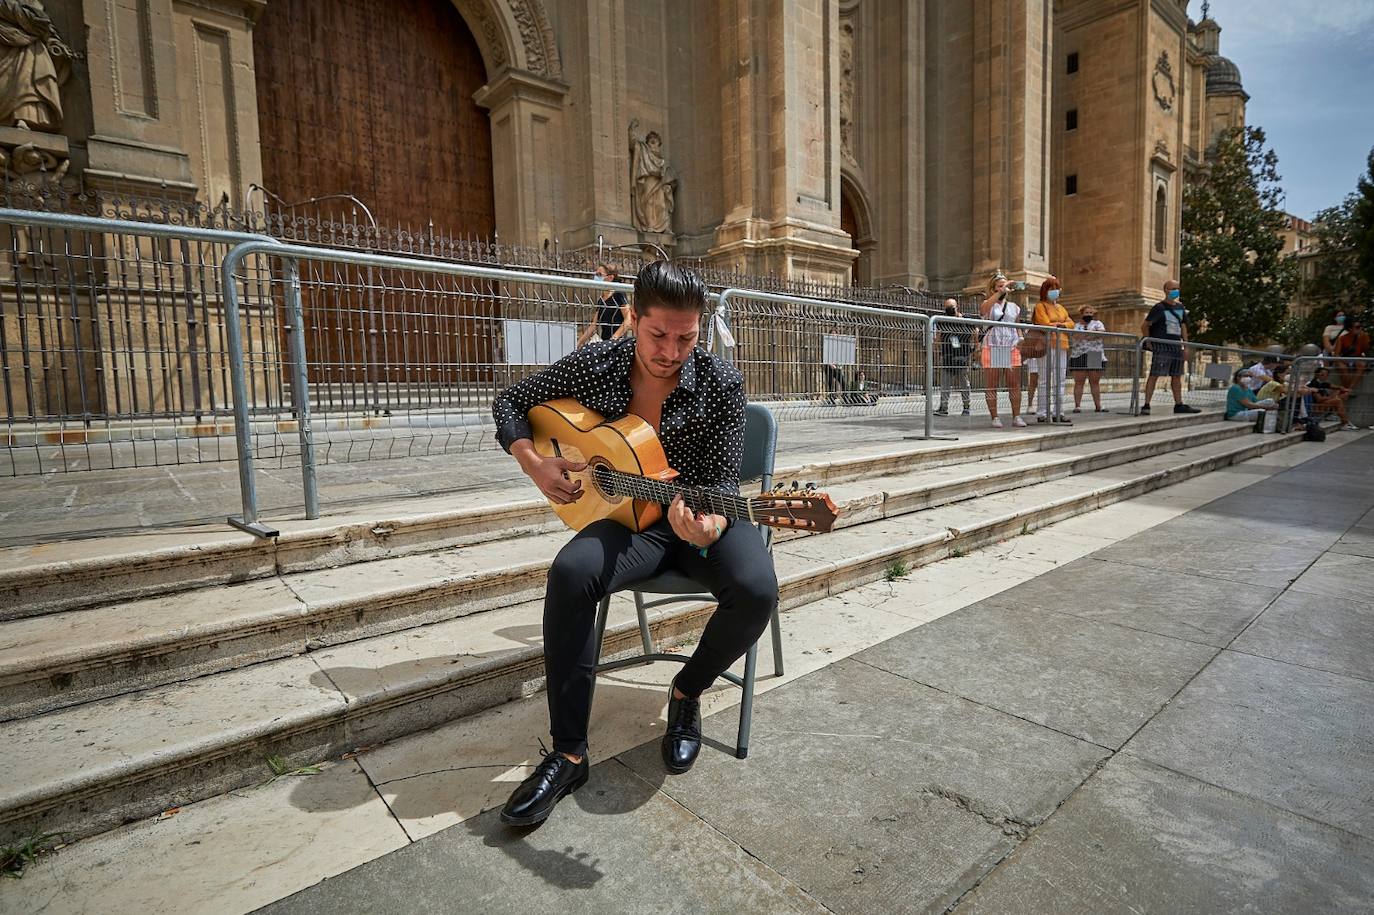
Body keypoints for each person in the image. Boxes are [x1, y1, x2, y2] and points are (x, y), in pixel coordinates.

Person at [491, 261, 778, 827]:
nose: (672, 351)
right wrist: (533, 462)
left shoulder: (721, 382)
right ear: (632, 317)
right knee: (571, 574)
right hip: (628, 519)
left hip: (700, 517)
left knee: (755, 588)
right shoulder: (597, 364)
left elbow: (721, 481)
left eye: (686, 337)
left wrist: (714, 526)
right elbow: (510, 402)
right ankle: (569, 753)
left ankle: (686, 692)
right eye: (658, 335)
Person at [1139, 279, 1201, 415]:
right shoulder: (1159, 308)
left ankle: (1179, 404)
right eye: (1173, 288)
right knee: (1154, 375)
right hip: (1162, 346)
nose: (1175, 291)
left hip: (1176, 346)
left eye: (1177, 288)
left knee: (1177, 376)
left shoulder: (1180, 307)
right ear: (1166, 290)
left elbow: (1183, 326)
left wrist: (1186, 346)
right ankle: (1146, 404)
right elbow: (1145, 325)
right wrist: (1149, 340)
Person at [978, 273, 1025, 428]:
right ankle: (995, 417)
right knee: (993, 384)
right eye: (999, 285)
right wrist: (999, 293)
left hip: (1011, 347)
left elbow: (1018, 327)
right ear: (993, 289)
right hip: (994, 346)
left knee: (1014, 383)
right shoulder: (989, 303)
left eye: (1004, 285)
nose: (1003, 288)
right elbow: (983, 310)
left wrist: (1021, 340)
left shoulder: (1014, 307)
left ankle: (1016, 416)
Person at [1032, 276, 1075, 424]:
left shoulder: (1061, 307)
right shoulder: (1040, 306)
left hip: (1062, 345)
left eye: (1056, 288)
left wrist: (1060, 325)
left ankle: (1059, 412)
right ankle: (1043, 412)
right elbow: (1044, 323)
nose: (1054, 291)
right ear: (1045, 290)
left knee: (1060, 380)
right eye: (1051, 288)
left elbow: (1071, 323)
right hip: (1046, 345)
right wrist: (1060, 324)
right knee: (1044, 379)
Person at [575, 263, 632, 347]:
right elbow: (593, 325)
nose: (596, 277)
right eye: (596, 274)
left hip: (617, 344)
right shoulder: (601, 299)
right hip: (605, 343)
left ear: (610, 277)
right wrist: (578, 343)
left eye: (599, 275)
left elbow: (628, 319)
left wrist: (614, 338)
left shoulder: (618, 294)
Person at [934, 298, 972, 416]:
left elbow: (974, 332)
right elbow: (939, 336)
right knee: (945, 383)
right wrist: (936, 348)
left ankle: (966, 407)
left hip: (962, 356)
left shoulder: (965, 320)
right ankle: (943, 407)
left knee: (964, 383)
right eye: (947, 308)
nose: (949, 310)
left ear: (957, 307)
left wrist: (974, 350)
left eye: (951, 307)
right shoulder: (943, 320)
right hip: (948, 355)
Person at [1070, 305, 1108, 413]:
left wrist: (1086, 336)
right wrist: (1091, 335)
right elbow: (1076, 336)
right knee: (1079, 382)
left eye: (1091, 313)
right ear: (1082, 314)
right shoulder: (1076, 325)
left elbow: (1101, 333)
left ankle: (1098, 405)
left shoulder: (1097, 323)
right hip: (1078, 354)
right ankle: (1077, 406)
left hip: (1094, 354)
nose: (1089, 315)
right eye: (1087, 313)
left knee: (1094, 382)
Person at [1334, 317, 1369, 391]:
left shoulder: (1364, 336)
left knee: (1361, 365)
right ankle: (1346, 389)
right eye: (1357, 327)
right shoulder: (1342, 338)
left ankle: (1349, 389)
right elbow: (1336, 354)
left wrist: (1363, 340)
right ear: (1350, 329)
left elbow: (1366, 351)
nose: (1360, 329)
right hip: (1344, 359)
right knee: (1343, 368)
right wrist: (1340, 362)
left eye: (1360, 327)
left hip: (1356, 359)